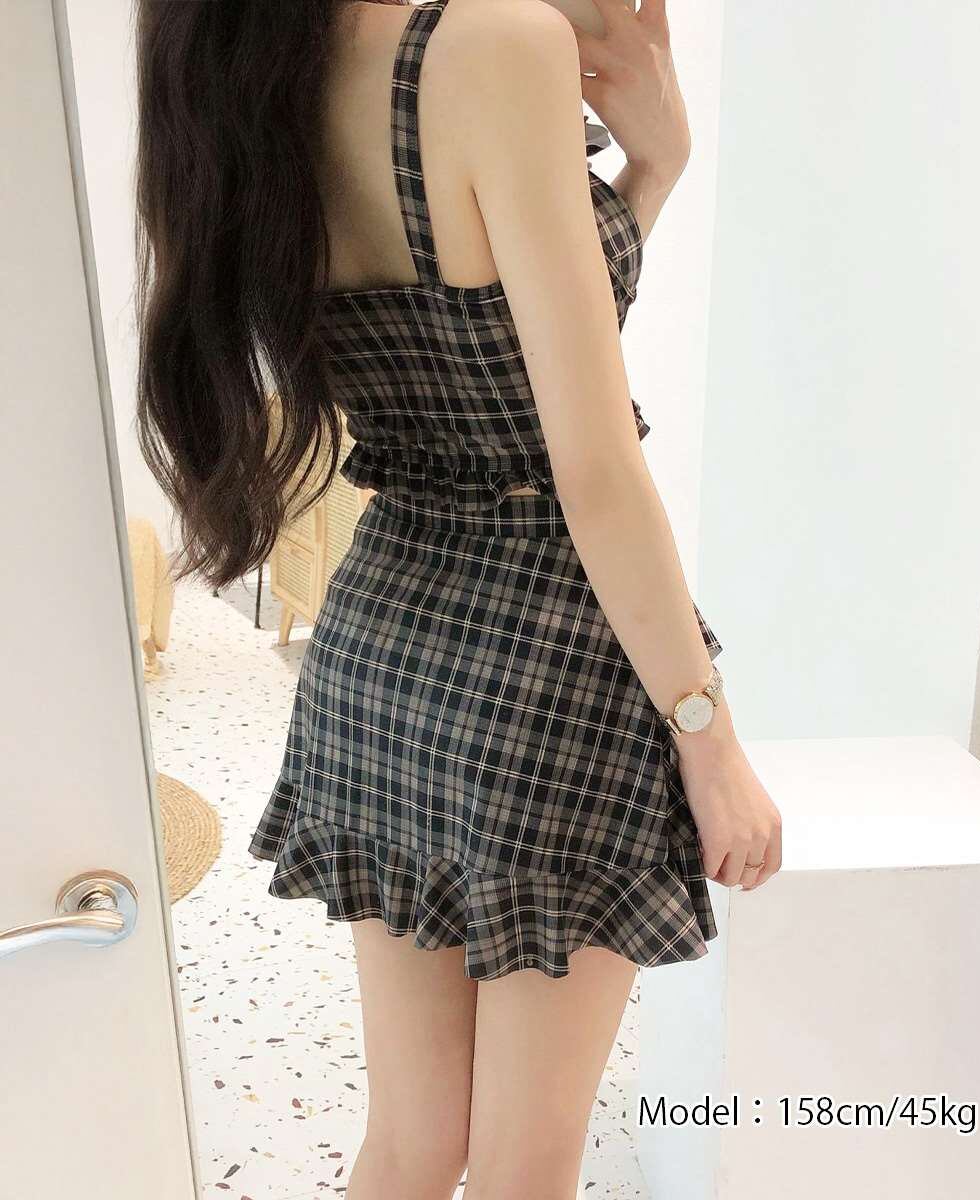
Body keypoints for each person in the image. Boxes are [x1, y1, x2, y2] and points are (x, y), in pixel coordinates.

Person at [134, 1, 781, 1196]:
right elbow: (587, 466)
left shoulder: (248, 72)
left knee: (414, 1141)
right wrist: (709, 738)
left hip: (385, 646)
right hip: (545, 659)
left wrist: (649, 174)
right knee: (527, 1163)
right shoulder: (493, 45)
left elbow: (507, 357)